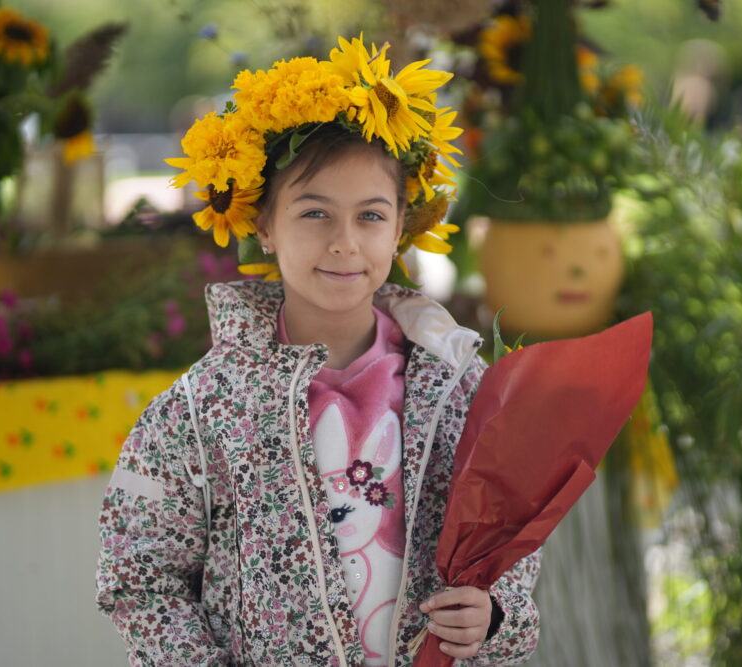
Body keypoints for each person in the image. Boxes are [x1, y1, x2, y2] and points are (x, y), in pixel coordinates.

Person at [95, 35, 541, 666]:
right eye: (313, 213)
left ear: (401, 227)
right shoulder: (200, 408)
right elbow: (138, 580)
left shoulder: (461, 389)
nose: (344, 243)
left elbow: (512, 547)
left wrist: (496, 616)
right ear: (263, 225)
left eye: (370, 216)